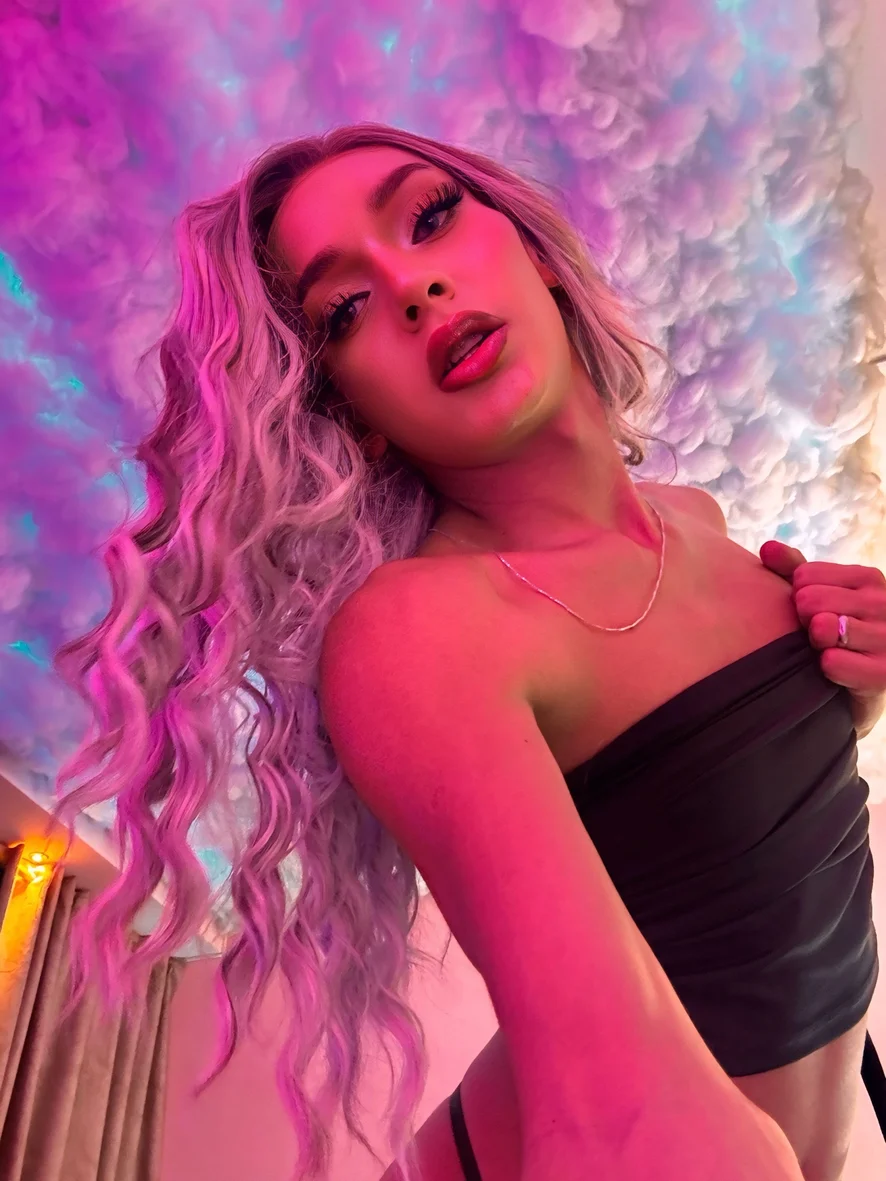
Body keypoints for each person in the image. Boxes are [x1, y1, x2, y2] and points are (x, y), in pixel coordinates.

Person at [51, 123, 875, 1181]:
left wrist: (847, 690)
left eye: (430, 217)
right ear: (353, 417)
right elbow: (612, 1119)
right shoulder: (418, 628)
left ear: (534, 250)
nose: (413, 289)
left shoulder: (699, 521)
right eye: (345, 310)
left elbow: (733, 841)